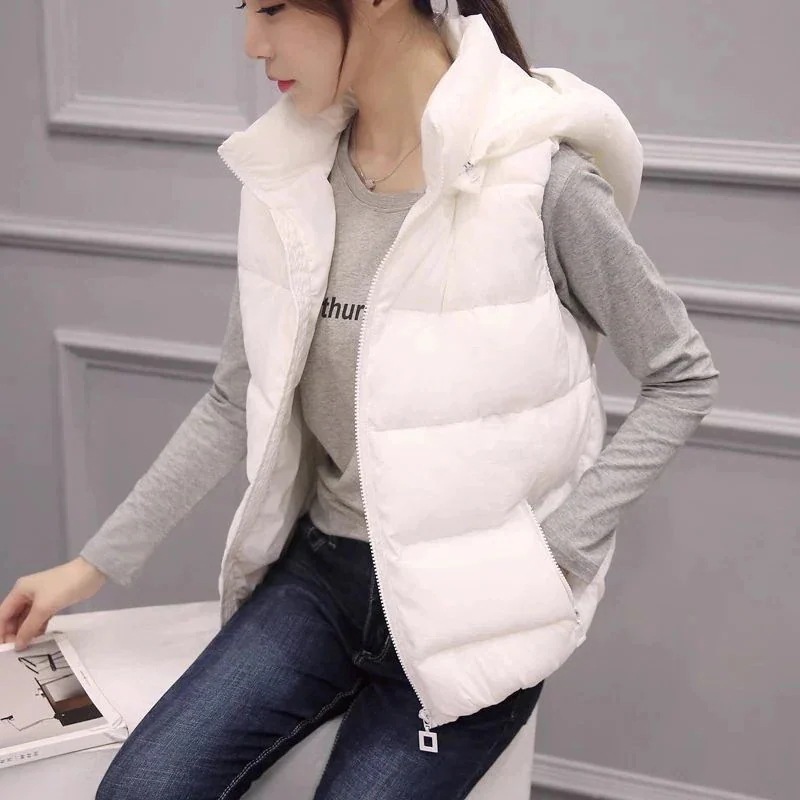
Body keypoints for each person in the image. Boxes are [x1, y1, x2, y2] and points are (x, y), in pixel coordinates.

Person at [0, 1, 720, 797]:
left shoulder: (537, 175)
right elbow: (234, 399)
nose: (252, 43)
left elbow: (682, 376)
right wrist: (90, 566)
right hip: (322, 578)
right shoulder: (291, 175)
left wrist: (552, 557)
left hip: (473, 606)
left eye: (273, 8)